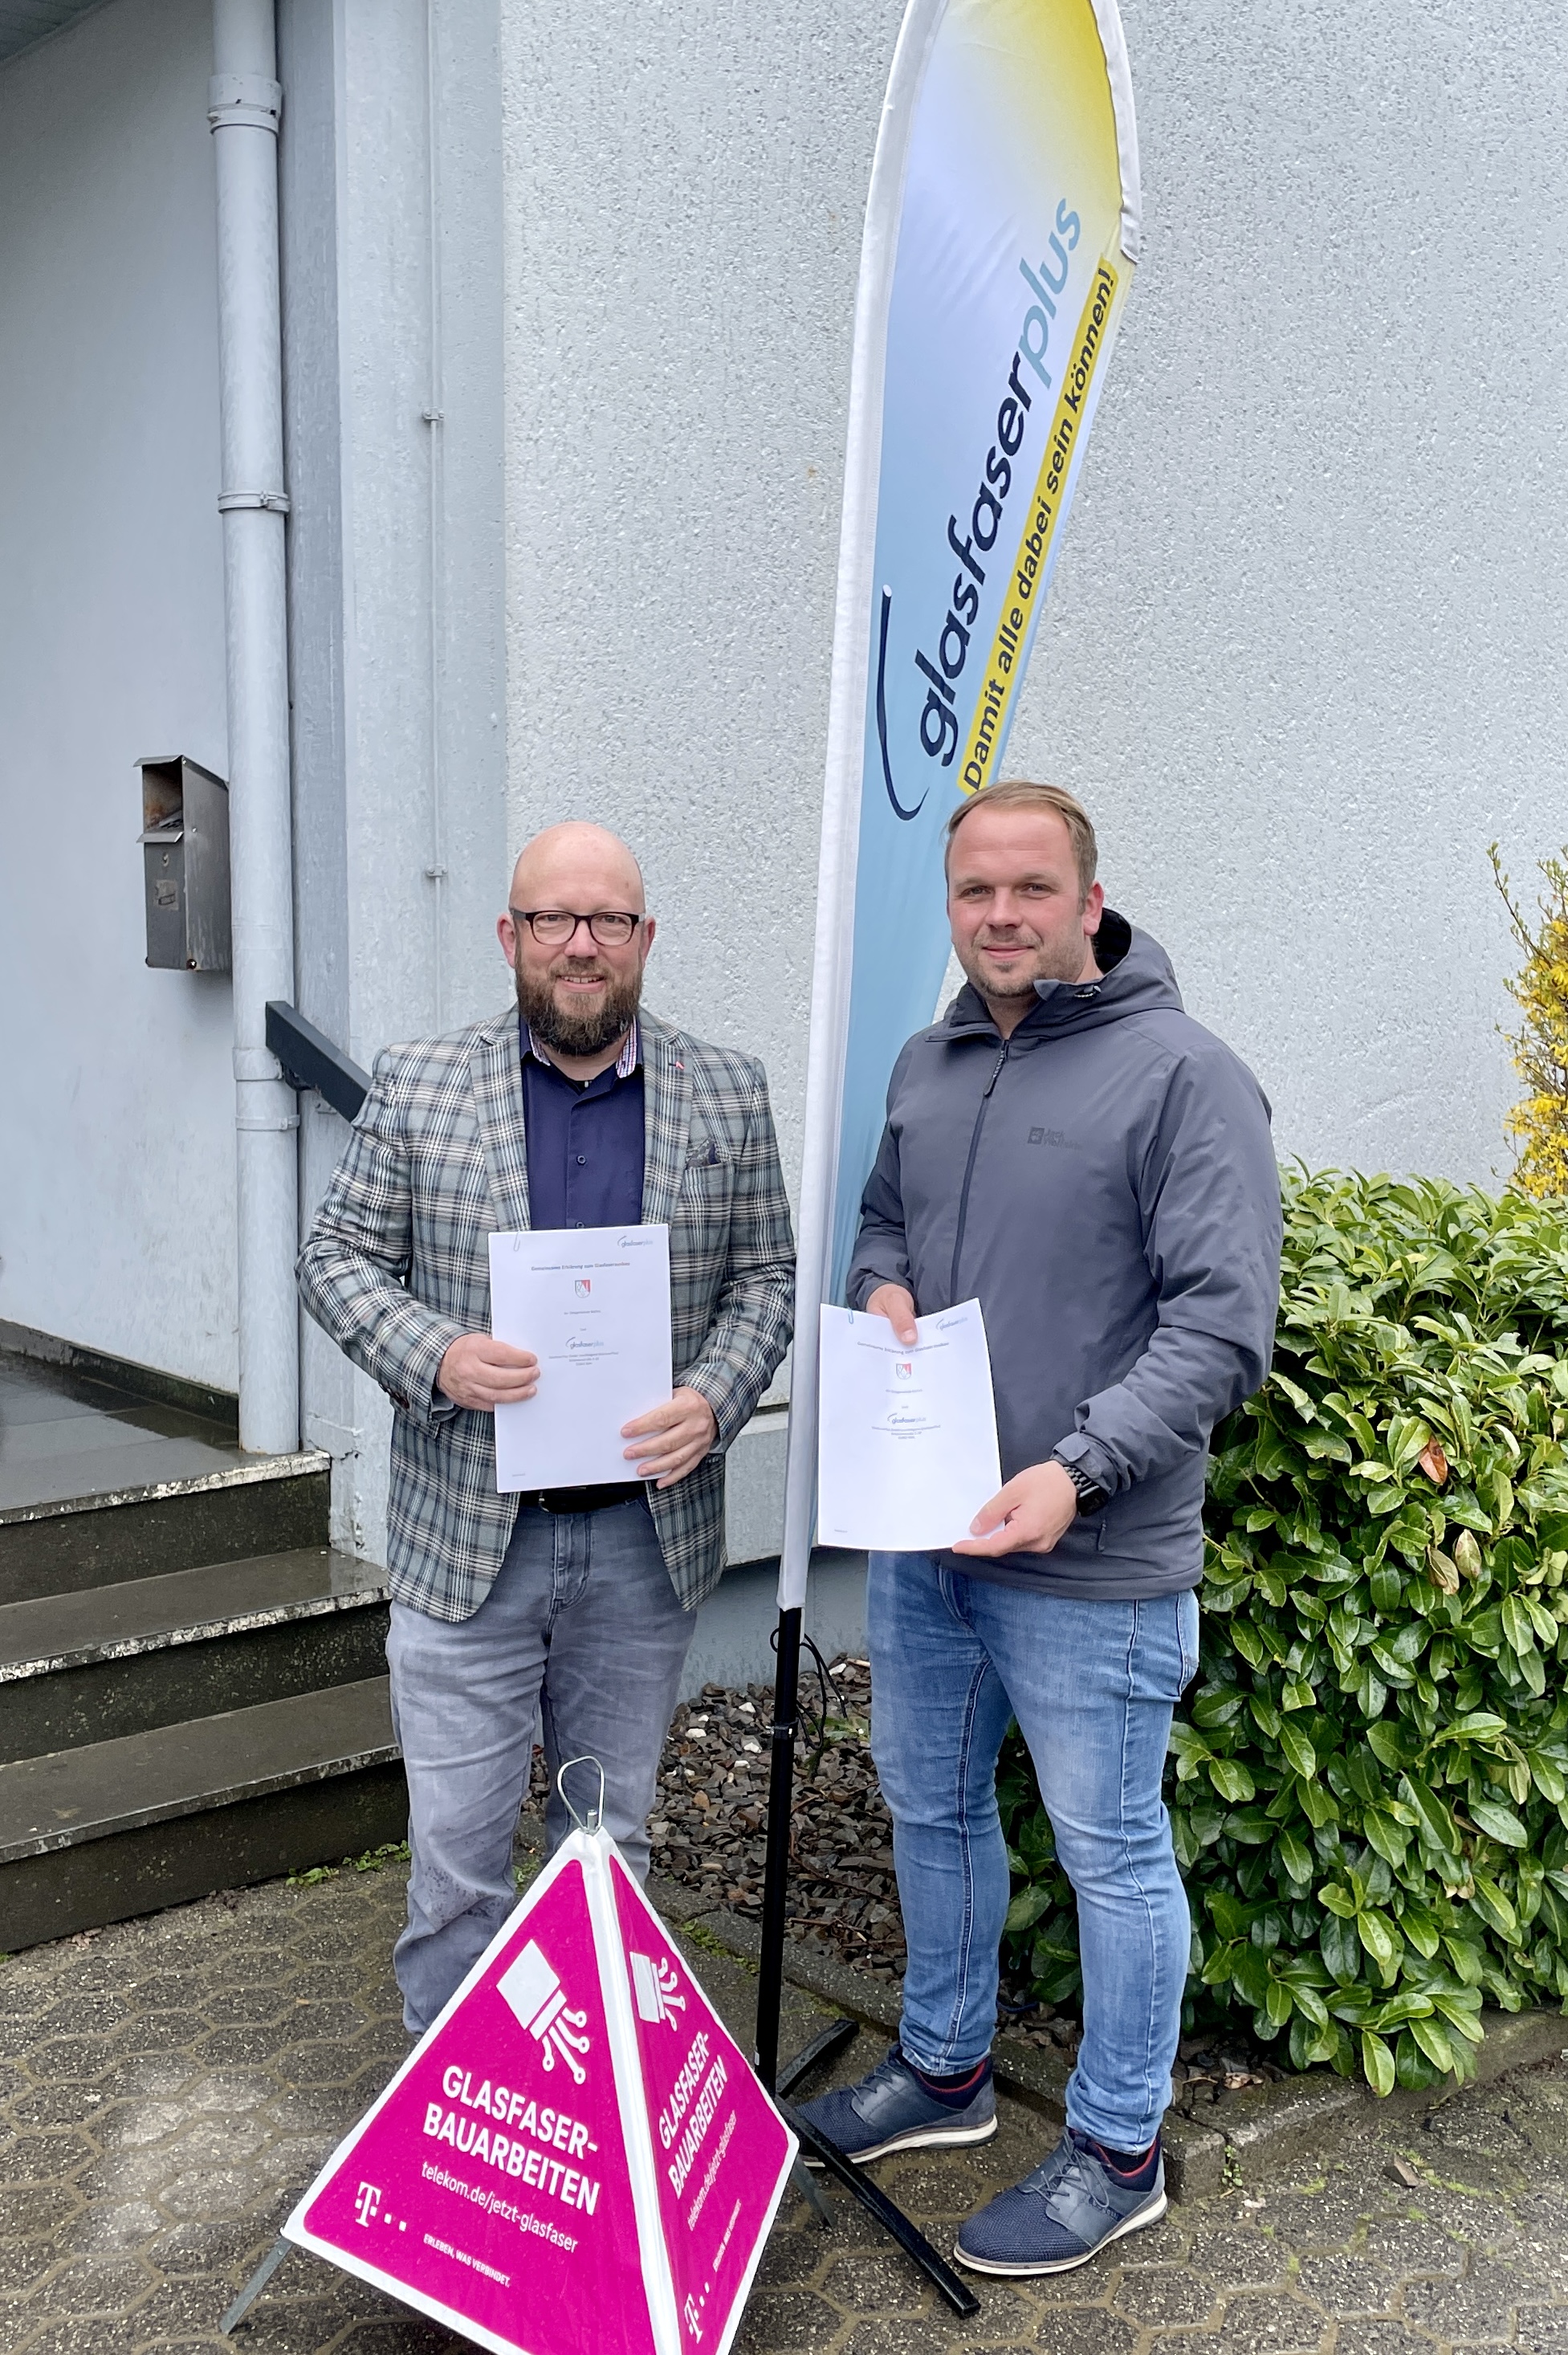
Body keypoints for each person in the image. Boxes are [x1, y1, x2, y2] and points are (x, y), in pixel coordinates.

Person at [800, 780, 1281, 2276]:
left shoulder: (1186, 1076)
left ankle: (1119, 2150)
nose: (1000, 915)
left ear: (1089, 901)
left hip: (1094, 1559)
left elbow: (1224, 1329)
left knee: (1112, 1853)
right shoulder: (929, 1062)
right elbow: (883, 1218)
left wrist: (1078, 1468)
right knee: (930, 1803)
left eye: (1031, 889)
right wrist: (881, 1283)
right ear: (952, 904)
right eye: (976, 891)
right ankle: (945, 2069)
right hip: (928, 1541)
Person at [297, 821, 793, 2031]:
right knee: (457, 1865)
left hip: (643, 1540)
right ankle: (458, 2104)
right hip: (469, 1540)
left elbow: (766, 1280)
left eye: (607, 920)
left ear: (645, 937)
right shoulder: (420, 1082)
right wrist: (436, 1353)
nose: (581, 944)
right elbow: (335, 1258)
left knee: (608, 1844)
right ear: (509, 934)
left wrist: (714, 1397)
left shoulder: (726, 1089)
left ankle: (592, 2093)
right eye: (553, 919)